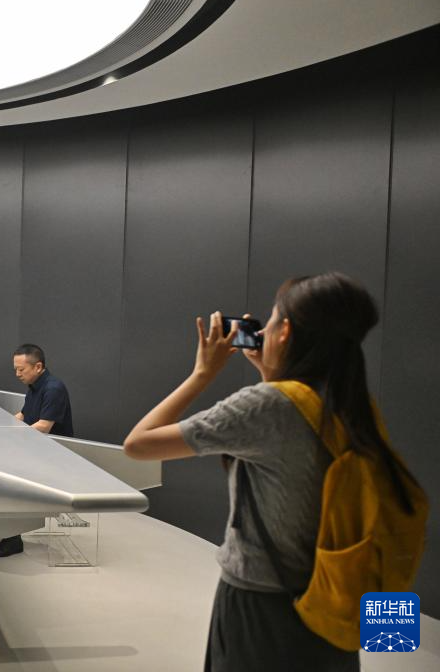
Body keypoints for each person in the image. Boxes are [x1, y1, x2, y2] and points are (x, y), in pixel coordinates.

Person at [123, 272, 416, 671]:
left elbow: (138, 445)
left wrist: (202, 374)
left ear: (285, 332)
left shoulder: (265, 406)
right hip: (336, 600)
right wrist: (273, 377)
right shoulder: (352, 403)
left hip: (265, 605)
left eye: (273, 320)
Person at [0, 344, 74, 557]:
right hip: (37, 450)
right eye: (15, 369)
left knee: (7, 478)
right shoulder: (34, 386)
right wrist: (0, 428)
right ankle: (4, 531)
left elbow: (43, 426)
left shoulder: (53, 389)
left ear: (38, 367)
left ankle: (13, 539)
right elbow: (23, 415)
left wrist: (10, 437)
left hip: (52, 456)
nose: (17, 374)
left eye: (21, 369)